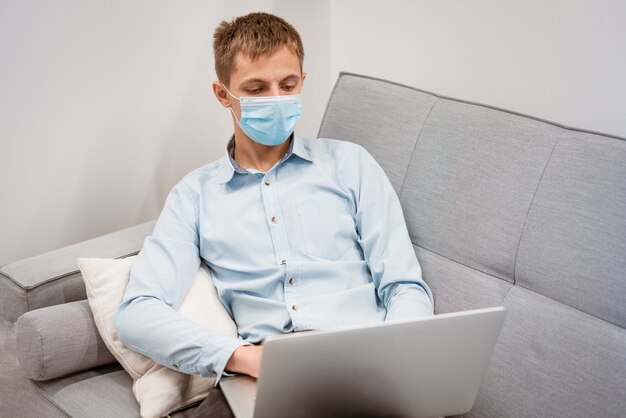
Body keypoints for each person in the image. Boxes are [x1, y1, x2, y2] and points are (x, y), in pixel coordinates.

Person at [115, 10, 433, 409]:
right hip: (259, 373)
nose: (277, 100)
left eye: (288, 84)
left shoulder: (351, 165)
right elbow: (137, 314)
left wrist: (396, 358)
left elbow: (404, 286)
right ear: (222, 94)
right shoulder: (194, 196)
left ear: (303, 81)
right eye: (257, 89)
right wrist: (241, 357)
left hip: (363, 363)